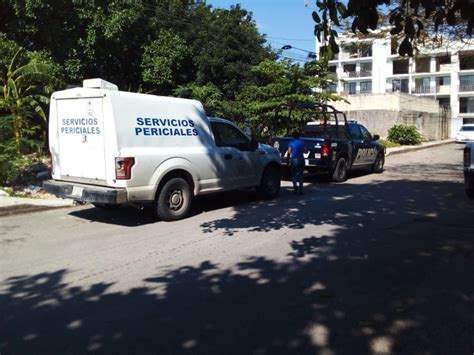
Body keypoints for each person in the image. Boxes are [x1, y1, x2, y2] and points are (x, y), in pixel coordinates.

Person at [287, 131, 305, 195]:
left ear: (293, 136)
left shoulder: (291, 142)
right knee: (300, 174)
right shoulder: (302, 142)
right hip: (301, 159)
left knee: (293, 174)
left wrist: (288, 160)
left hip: (294, 159)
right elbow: (306, 151)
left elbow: (289, 152)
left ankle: (295, 186)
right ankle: (301, 189)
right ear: (299, 136)